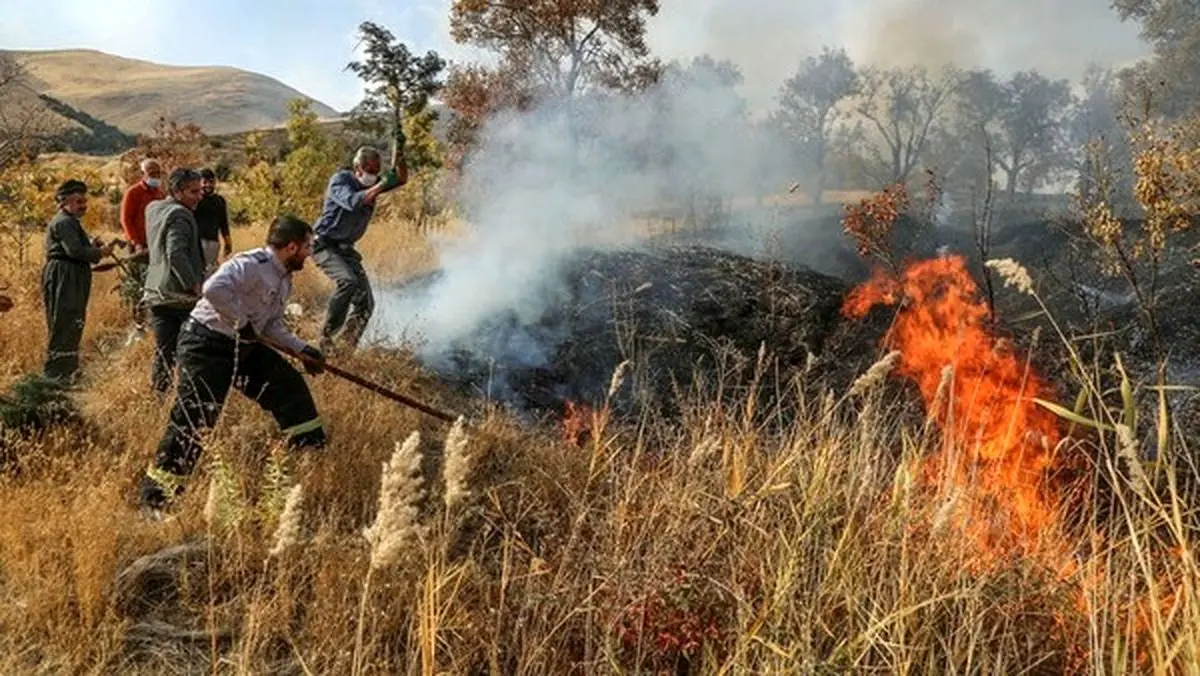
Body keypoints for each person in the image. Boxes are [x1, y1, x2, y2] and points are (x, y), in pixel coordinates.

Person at [138, 214, 328, 514]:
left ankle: (307, 456)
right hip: (206, 345)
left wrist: (303, 349)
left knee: (289, 388)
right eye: (307, 246)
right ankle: (157, 500)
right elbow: (213, 289)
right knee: (196, 418)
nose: (310, 253)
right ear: (291, 247)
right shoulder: (252, 264)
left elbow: (270, 326)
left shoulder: (283, 279)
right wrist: (241, 323)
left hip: (245, 347)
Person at [312, 145, 406, 353]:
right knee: (347, 281)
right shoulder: (341, 181)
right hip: (324, 245)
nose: (372, 175)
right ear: (357, 167)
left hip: (347, 251)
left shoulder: (375, 184)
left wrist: (400, 154)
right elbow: (353, 202)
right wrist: (381, 185)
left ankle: (346, 348)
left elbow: (402, 178)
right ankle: (326, 337)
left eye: (376, 171)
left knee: (366, 304)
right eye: (368, 170)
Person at [41, 179, 115, 383]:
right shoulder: (64, 222)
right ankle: (55, 375)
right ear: (64, 202)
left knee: (73, 321)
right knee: (64, 321)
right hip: (65, 274)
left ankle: (68, 371)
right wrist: (100, 252)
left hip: (71, 273)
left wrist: (90, 244)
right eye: (78, 202)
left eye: (84, 201)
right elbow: (74, 251)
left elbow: (76, 247)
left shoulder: (70, 222)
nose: (83, 206)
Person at [142, 167, 206, 396]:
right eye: (193, 191)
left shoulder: (154, 208)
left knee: (163, 352)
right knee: (191, 352)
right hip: (178, 295)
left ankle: (159, 398)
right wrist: (193, 285)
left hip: (156, 292)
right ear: (178, 192)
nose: (200, 196)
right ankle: (190, 399)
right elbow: (175, 253)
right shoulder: (180, 214)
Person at [119, 158, 165, 330]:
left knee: (154, 283)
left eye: (158, 173)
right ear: (143, 174)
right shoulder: (133, 193)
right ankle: (139, 323)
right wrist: (136, 243)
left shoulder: (159, 193)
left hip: (155, 246)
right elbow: (126, 220)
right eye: (152, 173)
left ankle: (153, 321)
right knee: (138, 285)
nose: (155, 176)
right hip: (138, 247)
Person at [194, 168, 232, 276]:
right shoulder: (195, 199)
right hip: (196, 241)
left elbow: (224, 223)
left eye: (211, 182)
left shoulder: (219, 200)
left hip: (213, 242)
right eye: (204, 182)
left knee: (211, 270)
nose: (208, 185)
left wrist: (228, 241)